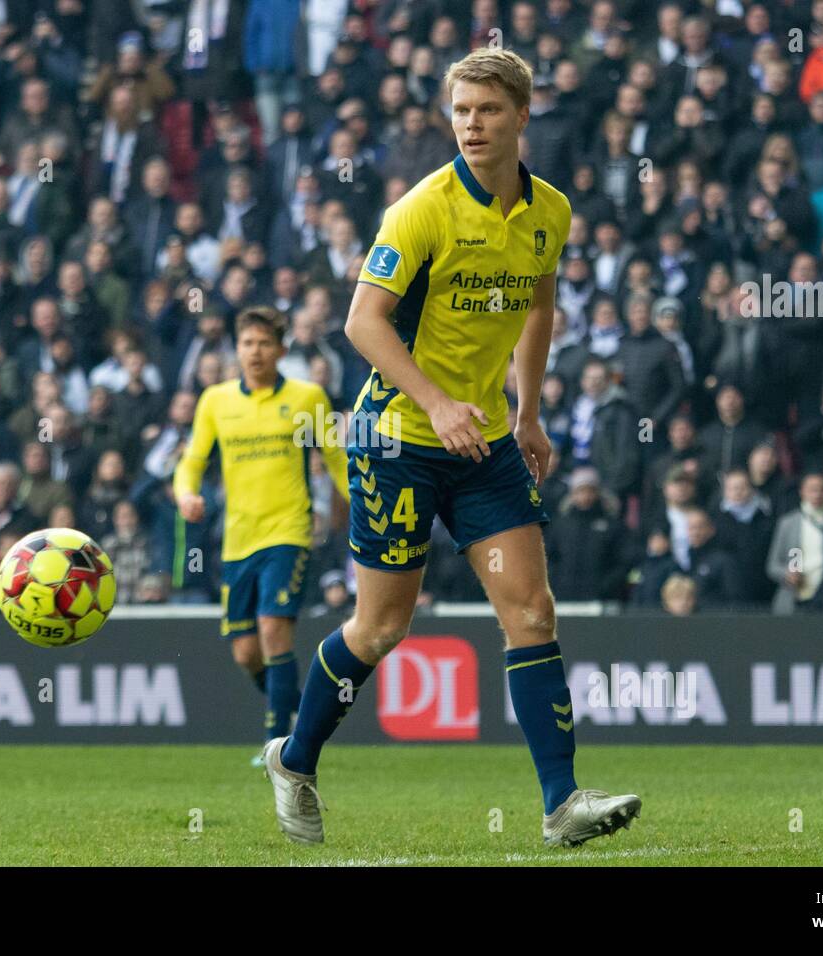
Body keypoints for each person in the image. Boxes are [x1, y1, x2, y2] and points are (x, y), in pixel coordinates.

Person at [261, 48, 640, 848]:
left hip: (486, 447)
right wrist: (437, 400)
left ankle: (561, 803)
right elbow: (361, 323)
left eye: (488, 110)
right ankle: (294, 760)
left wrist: (528, 412)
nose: (471, 123)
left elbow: (540, 306)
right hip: (396, 440)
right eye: (461, 110)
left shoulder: (551, 213)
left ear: (522, 116)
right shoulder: (421, 209)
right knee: (382, 629)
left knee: (532, 611)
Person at [174, 306, 349, 761]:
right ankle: (299, 708)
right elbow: (192, 461)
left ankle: (279, 743)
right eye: (247, 343)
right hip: (238, 540)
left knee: (274, 631)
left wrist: (365, 503)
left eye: (264, 343)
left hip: (288, 532)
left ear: (281, 350)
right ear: (237, 349)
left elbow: (334, 458)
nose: (255, 352)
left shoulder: (309, 397)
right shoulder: (215, 401)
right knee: (246, 655)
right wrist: (186, 494)